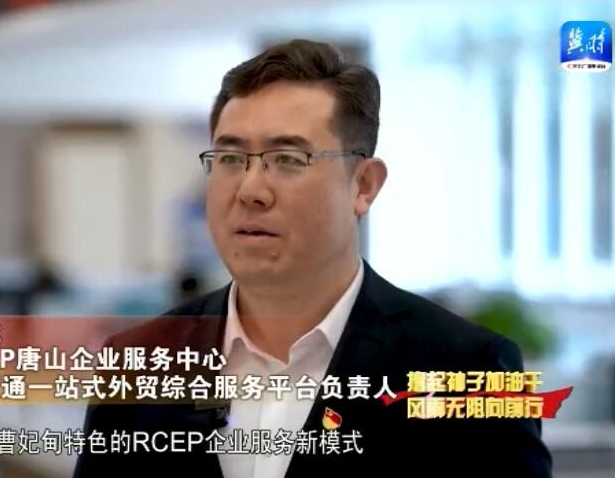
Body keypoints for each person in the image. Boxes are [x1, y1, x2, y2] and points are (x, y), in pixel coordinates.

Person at [73, 39, 552, 477]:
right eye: (230, 159)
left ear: (363, 185)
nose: (250, 190)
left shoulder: (467, 370)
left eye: (288, 160)